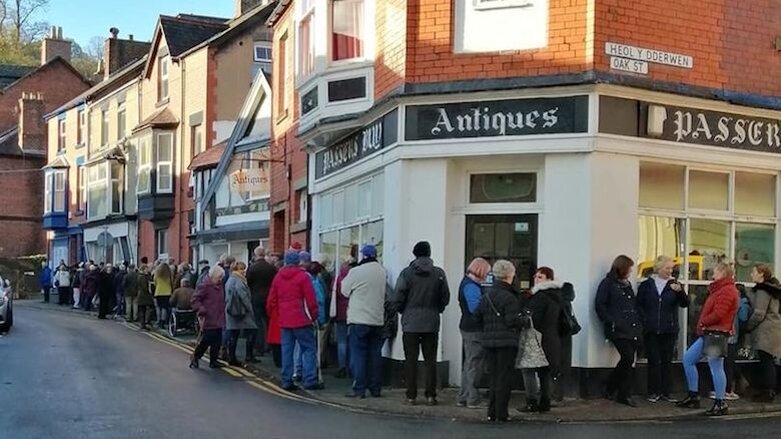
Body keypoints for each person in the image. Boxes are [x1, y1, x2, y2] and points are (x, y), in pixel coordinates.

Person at [676, 262, 739, 416]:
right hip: (710, 332)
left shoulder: (727, 291)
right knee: (688, 359)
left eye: (715, 272)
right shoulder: (722, 289)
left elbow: (719, 313)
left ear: (723, 273)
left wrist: (703, 322)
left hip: (716, 333)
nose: (712, 275)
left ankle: (720, 401)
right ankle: (693, 395)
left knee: (716, 366)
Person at [393, 241, 451, 406]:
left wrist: (402, 311)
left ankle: (411, 396)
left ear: (414, 254)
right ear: (429, 253)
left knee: (411, 359)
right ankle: (431, 395)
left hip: (411, 322)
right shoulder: (439, 273)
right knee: (430, 360)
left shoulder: (407, 273)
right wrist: (437, 309)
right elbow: (445, 297)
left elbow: (398, 296)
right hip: (431, 322)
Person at [474, 260, 525, 423]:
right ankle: (501, 413)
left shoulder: (486, 296)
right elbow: (512, 321)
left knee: (493, 377)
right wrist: (524, 320)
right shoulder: (509, 297)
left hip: (489, 342)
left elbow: (477, 317)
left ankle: (491, 412)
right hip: (507, 343)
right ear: (510, 275)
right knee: (504, 378)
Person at [636, 256, 689, 403]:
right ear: (658, 268)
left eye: (671, 268)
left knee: (667, 360)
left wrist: (680, 292)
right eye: (667, 268)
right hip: (651, 328)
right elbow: (639, 304)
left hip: (669, 328)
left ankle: (666, 392)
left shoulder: (674, 284)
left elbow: (685, 303)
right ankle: (653, 391)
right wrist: (644, 320)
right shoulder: (647, 285)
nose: (670, 271)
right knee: (653, 360)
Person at [267, 251, 320, 391]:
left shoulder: (278, 277)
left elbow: (271, 300)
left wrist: (276, 314)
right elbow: (311, 299)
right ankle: (310, 380)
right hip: (302, 320)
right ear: (298, 262)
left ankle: (286, 380)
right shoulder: (303, 277)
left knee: (287, 351)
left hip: (285, 320)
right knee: (308, 349)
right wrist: (314, 316)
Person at [595, 255, 642, 407]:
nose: (630, 271)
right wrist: (611, 321)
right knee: (627, 357)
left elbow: (633, 306)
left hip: (631, 327)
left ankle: (616, 388)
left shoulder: (627, 285)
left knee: (629, 360)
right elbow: (600, 305)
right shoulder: (607, 284)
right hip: (618, 328)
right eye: (629, 268)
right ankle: (619, 391)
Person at [341, 245, 387, 398]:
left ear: (364, 256)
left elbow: (344, 291)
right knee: (375, 354)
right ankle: (375, 389)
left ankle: (359, 389)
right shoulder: (382, 271)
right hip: (377, 319)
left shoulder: (356, 271)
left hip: (359, 319)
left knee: (358, 354)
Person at [519, 267, 565, 413]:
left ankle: (531, 402)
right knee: (545, 372)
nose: (536, 279)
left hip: (535, 337)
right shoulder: (558, 295)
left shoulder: (539, 297)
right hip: (551, 338)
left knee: (528, 370)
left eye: (540, 277)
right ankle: (545, 403)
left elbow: (532, 318)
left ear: (547, 279)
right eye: (536, 276)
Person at [456, 257, 491, 409]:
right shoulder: (471, 287)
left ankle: (463, 396)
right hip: (474, 329)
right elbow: (475, 309)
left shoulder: (467, 283)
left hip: (467, 326)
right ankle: (473, 398)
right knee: (475, 364)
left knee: (469, 362)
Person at [745, 263, 781, 403]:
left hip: (766, 330)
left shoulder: (762, 291)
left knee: (766, 360)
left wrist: (748, 326)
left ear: (761, 274)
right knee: (769, 360)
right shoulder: (772, 290)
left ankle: (768, 392)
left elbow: (759, 313)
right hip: (773, 329)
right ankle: (769, 389)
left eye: (753, 271)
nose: (751, 274)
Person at [191, 265, 226, 369]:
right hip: (208, 317)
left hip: (218, 316)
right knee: (206, 341)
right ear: (212, 276)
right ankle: (196, 357)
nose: (220, 280)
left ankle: (213, 361)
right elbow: (195, 299)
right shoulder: (205, 286)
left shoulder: (219, 286)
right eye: (219, 277)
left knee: (217, 341)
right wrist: (201, 309)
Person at [225, 261, 258, 366]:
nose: (244, 271)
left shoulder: (230, 280)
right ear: (235, 270)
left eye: (244, 268)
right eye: (241, 269)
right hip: (241, 311)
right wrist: (251, 309)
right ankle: (248, 356)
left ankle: (232, 357)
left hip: (232, 311)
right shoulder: (238, 281)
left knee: (233, 334)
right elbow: (244, 297)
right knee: (252, 330)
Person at [247, 246, 278, 357]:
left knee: (258, 322)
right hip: (269, 297)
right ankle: (270, 345)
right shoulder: (271, 268)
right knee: (269, 321)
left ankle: (259, 347)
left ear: (255, 255)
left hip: (256, 298)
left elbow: (248, 282)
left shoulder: (252, 268)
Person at [332, 254, 357, 378]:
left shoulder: (338, 277)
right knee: (353, 341)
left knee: (341, 341)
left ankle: (342, 366)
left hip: (340, 313)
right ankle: (352, 367)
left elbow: (334, 294)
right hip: (354, 312)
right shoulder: (356, 277)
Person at [153, 262, 174, 328]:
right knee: (164, 308)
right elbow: (171, 282)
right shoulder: (169, 275)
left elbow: (155, 282)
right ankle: (163, 321)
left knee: (158, 307)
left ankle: (158, 320)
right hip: (167, 292)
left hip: (158, 292)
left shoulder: (157, 274)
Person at [136, 264, 155, 330]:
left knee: (143, 310)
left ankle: (143, 324)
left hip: (142, 296)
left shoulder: (141, 276)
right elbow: (145, 287)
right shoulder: (142, 277)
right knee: (146, 310)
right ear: (144, 269)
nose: (148, 270)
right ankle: (144, 324)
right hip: (144, 296)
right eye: (147, 268)